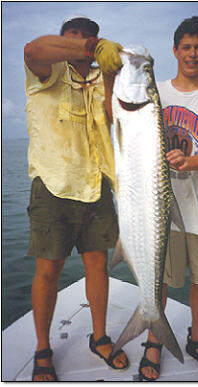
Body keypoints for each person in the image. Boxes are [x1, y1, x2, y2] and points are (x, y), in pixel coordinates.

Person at [24, 15, 129, 381]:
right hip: (52, 185)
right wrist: (89, 48)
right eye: (73, 37)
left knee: (98, 266)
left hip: (96, 186)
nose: (81, 42)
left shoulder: (101, 79)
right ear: (63, 40)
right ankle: (42, 348)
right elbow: (32, 49)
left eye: (89, 38)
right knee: (48, 270)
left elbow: (114, 116)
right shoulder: (46, 72)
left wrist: (112, 70)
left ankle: (99, 336)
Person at [139, 16, 198, 381]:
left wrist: (188, 160)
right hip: (158, 208)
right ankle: (153, 340)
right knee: (157, 278)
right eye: (186, 47)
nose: (192, 53)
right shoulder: (152, 93)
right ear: (174, 51)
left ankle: (197, 339)